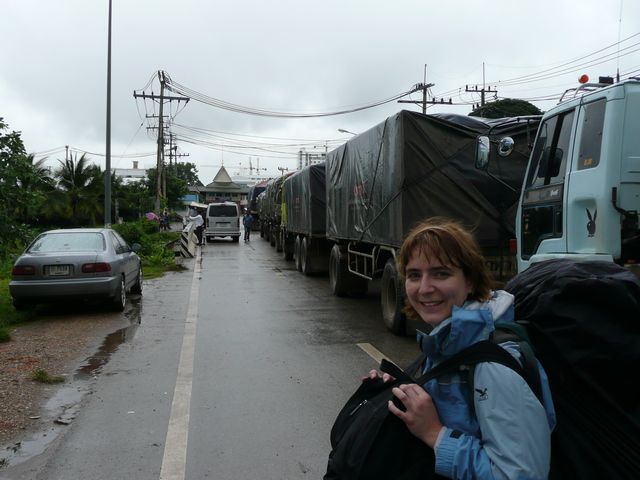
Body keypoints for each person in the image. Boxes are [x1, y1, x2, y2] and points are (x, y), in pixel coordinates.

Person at [369, 218, 556, 479]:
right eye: (414, 275)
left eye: (441, 273)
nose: (424, 288)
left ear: (469, 281)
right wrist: (400, 392)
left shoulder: (492, 367)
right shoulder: (448, 343)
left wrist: (434, 433)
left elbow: (519, 475)